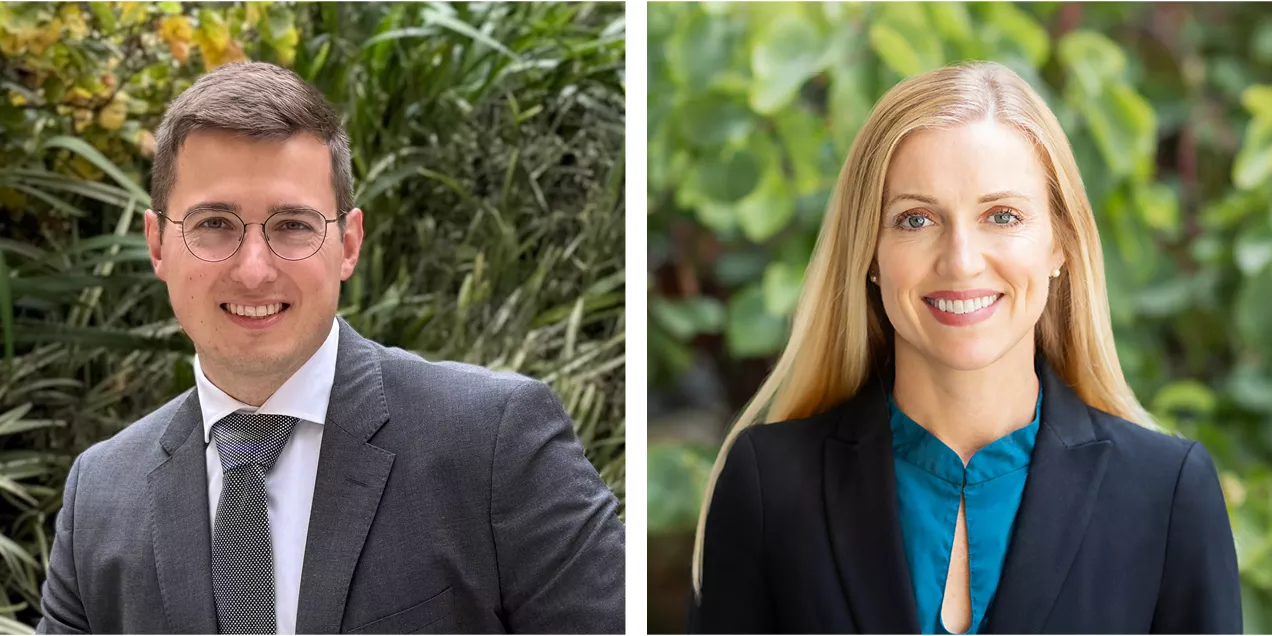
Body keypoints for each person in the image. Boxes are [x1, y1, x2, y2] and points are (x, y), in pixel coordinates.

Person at [36, 61, 625, 635]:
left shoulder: (494, 444)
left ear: (347, 244)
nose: (254, 270)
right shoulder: (101, 495)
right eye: (214, 223)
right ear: (158, 244)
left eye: (292, 225)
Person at [689, 61, 1240, 634]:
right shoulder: (767, 485)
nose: (961, 260)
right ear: (869, 254)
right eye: (916, 219)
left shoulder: (1168, 495)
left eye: (1002, 216)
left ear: (1060, 246)